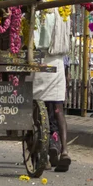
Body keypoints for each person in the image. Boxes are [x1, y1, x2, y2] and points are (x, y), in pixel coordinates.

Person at [33, 9, 71, 172]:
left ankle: (43, 151)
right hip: (56, 62)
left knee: (35, 109)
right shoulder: (63, 11)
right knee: (58, 110)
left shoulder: (35, 11)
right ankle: (64, 150)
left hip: (37, 60)